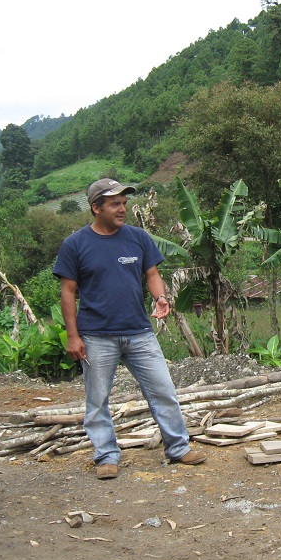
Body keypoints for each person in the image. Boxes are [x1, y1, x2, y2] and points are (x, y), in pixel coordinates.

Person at [53, 178, 206, 479]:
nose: (122, 209)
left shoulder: (138, 238)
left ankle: (178, 447)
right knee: (97, 400)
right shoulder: (76, 244)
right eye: (115, 204)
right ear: (96, 208)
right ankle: (106, 456)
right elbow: (68, 292)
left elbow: (152, 273)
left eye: (124, 203)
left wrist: (160, 296)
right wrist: (73, 336)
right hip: (96, 335)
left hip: (139, 331)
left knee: (163, 390)